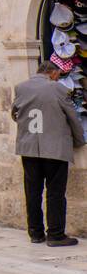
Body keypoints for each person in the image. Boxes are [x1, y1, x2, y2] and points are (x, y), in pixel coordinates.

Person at [12, 60, 86, 246]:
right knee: (55, 192)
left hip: (29, 148)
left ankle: (35, 233)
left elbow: (15, 114)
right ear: (52, 74)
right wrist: (79, 140)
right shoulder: (58, 89)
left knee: (32, 191)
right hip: (54, 148)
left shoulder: (21, 87)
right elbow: (72, 117)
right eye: (58, 75)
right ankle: (55, 234)